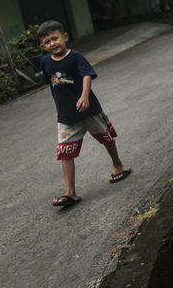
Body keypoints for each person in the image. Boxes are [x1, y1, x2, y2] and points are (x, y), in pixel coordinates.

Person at [37, 20, 130, 207]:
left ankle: (117, 165)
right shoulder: (45, 62)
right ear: (42, 46)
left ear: (65, 37)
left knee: (106, 138)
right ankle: (70, 192)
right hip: (66, 118)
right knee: (65, 153)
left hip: (89, 110)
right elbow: (54, 87)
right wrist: (58, 108)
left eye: (55, 38)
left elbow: (86, 75)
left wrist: (85, 96)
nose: (52, 44)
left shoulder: (75, 57)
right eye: (47, 42)